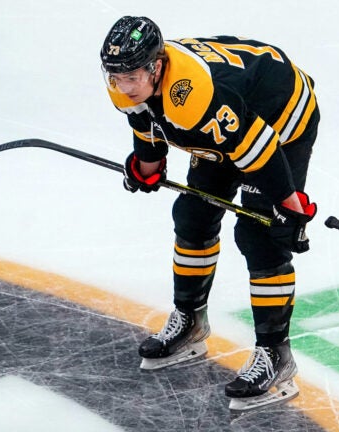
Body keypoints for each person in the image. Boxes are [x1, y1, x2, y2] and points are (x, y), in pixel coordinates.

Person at [99, 16, 319, 411]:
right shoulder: (129, 85)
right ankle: (190, 321)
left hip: (279, 115)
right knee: (193, 216)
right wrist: (144, 168)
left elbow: (259, 151)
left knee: (260, 236)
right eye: (115, 77)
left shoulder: (193, 96)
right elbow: (150, 127)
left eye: (131, 77)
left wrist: (289, 206)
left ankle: (276, 356)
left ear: (157, 66)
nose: (123, 86)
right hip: (231, 116)